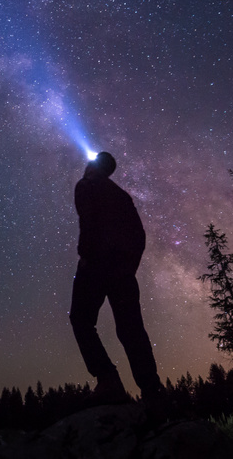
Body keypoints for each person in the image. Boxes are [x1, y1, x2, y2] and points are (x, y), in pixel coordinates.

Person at [70, 151, 165, 406]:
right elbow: (139, 235)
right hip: (122, 270)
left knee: (81, 319)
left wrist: (86, 255)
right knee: (131, 328)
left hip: (96, 265)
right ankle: (152, 391)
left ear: (94, 165)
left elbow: (88, 221)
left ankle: (107, 379)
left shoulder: (86, 185)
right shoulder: (122, 196)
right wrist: (129, 266)